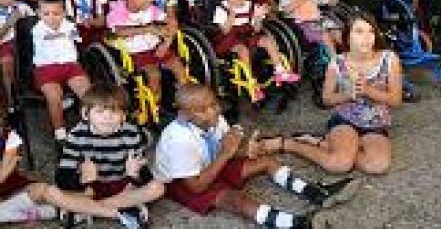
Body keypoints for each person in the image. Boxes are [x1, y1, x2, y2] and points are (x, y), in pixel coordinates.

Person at [153, 84, 359, 229]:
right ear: (185, 115)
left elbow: (227, 146)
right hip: (184, 182)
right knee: (235, 200)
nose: (213, 112)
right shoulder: (178, 140)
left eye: (214, 104)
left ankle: (316, 193)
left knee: (265, 161)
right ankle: (296, 223)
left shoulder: (214, 119)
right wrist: (227, 153)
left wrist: (246, 150)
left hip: (213, 161)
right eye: (202, 110)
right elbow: (196, 186)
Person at [0, 89, 136, 228]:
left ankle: (114, 213)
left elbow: (6, 167)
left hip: (11, 187)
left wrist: (3, 166)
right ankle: (48, 212)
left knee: (44, 189)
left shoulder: (10, 137)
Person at [259, 13, 402, 175]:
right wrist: (349, 94)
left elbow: (396, 100)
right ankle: (288, 144)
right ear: (347, 37)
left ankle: (323, 143)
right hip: (345, 121)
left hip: (376, 124)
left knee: (377, 166)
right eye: (359, 32)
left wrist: (369, 91)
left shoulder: (389, 59)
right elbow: (326, 99)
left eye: (370, 32)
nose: (366, 38)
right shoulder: (338, 62)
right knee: (339, 164)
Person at [55, 83, 165, 228]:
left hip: (122, 186)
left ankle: (85, 210)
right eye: (100, 111)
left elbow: (145, 177)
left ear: (124, 116)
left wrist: (135, 175)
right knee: (56, 191)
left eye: (114, 112)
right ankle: (124, 208)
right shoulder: (76, 135)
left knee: (158, 187)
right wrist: (82, 179)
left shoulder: (131, 133)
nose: (107, 118)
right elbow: (62, 177)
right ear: (85, 114)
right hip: (90, 187)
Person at [31, 0, 91, 143]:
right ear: (39, 13)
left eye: (56, 14)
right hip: (46, 69)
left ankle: (90, 121)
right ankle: (60, 129)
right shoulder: (37, 29)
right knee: (53, 95)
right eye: (46, 14)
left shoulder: (69, 25)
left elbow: (77, 38)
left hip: (70, 66)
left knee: (86, 90)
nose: (51, 18)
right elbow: (51, 36)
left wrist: (75, 28)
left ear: (64, 13)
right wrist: (67, 33)